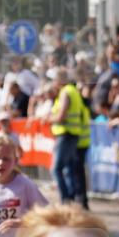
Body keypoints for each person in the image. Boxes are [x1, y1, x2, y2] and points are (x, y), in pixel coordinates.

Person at [48, 68, 84, 204]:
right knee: (69, 168)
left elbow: (61, 116)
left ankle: (65, 199)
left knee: (56, 169)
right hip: (72, 133)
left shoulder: (65, 92)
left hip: (65, 134)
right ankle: (70, 199)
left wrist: (48, 119)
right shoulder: (73, 91)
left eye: (54, 80)